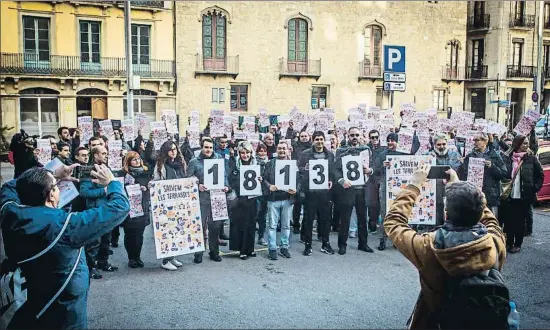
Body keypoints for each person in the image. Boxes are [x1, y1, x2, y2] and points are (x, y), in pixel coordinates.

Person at [0, 164, 129, 329]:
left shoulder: (9, 210)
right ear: (51, 194)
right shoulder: (65, 226)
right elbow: (120, 207)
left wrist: (51, 176)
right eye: (56, 185)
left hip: (28, 304)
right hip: (63, 312)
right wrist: (112, 182)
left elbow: (9, 186)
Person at [384, 165, 507, 329]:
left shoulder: (428, 246)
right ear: (479, 212)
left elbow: (393, 222)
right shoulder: (495, 240)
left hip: (439, 321)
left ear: (446, 212)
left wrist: (413, 186)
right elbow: (490, 220)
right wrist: (460, 188)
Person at [186, 137, 229, 263]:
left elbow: (224, 176)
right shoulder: (194, 162)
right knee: (200, 227)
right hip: (201, 198)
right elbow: (188, 178)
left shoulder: (218, 159)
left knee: (215, 227)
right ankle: (198, 253)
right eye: (206, 147)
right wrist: (197, 185)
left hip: (217, 198)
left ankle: (214, 252)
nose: (208, 150)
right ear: (201, 147)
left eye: (210, 147)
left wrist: (226, 186)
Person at [333, 127, 374, 255]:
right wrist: (341, 181)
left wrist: (370, 170)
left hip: (362, 189)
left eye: (357, 135)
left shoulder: (366, 150)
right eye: (352, 135)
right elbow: (335, 169)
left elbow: (373, 166)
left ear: (360, 135)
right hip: (348, 189)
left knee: (362, 218)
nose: (354, 137)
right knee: (345, 218)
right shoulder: (342, 151)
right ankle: (342, 245)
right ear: (347, 136)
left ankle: (363, 243)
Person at [501, 135, 543, 253]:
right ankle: (509, 243)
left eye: (527, 143)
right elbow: (503, 173)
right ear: (517, 144)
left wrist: (533, 189)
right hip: (509, 195)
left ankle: (517, 244)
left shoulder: (532, 158)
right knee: (509, 221)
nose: (527, 145)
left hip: (524, 196)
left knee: (520, 222)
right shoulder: (508, 157)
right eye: (524, 143)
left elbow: (540, 176)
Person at [298, 131, 335, 256]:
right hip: (310, 191)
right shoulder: (306, 154)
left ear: (324, 140)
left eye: (321, 139)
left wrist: (330, 180)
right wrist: (305, 169)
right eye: (317, 139)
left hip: (324, 192)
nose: (319, 141)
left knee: (325, 219)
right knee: (309, 219)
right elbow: (299, 169)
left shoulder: (329, 154)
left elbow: (332, 171)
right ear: (313, 140)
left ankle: (326, 243)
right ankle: (308, 245)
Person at [372, 132, 408, 251]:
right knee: (385, 214)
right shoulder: (383, 154)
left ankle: (397, 240)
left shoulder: (405, 153)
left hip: (401, 188)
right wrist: (382, 165)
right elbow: (375, 170)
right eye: (388, 140)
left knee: (400, 213)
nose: (390, 143)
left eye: (393, 140)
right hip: (386, 187)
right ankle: (383, 239)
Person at [154, 141, 187, 270]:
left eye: (175, 149)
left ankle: (173, 256)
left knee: (176, 230)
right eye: (170, 150)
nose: (173, 152)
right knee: (167, 231)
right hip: (166, 202)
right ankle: (165, 260)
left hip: (179, 201)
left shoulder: (181, 164)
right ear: (165, 152)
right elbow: (157, 182)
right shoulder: (160, 165)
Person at [458, 132, 508, 218]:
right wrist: (462, 165)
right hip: (474, 196)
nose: (474, 142)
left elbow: (504, 174)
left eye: (477, 140)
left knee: (490, 222)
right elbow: (462, 176)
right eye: (474, 140)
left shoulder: (495, 155)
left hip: (490, 197)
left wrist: (492, 166)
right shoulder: (470, 156)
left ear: (485, 141)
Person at [261, 141, 297, 260]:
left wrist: (296, 189)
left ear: (288, 150)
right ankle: (272, 248)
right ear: (277, 150)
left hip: (287, 198)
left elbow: (299, 179)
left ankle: (284, 247)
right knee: (272, 225)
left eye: (284, 149)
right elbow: (264, 178)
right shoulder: (270, 163)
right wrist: (269, 186)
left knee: (286, 225)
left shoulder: (293, 164)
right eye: (280, 148)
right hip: (273, 199)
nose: (282, 150)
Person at [228, 141, 259, 259]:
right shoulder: (235, 165)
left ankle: (250, 248)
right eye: (242, 153)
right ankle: (242, 250)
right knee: (241, 225)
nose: (245, 155)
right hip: (240, 199)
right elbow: (231, 180)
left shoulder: (255, 164)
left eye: (247, 152)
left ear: (251, 153)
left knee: (251, 224)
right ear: (239, 154)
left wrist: (259, 179)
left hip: (252, 199)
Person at [122, 151, 151, 267]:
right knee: (129, 234)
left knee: (139, 234)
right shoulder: (124, 174)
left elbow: (150, 186)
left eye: (138, 159)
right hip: (129, 208)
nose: (137, 161)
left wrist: (147, 188)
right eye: (134, 159)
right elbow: (121, 189)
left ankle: (137, 256)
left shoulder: (145, 172)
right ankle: (131, 258)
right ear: (128, 162)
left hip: (142, 206)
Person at [428, 133, 461, 226]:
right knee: (437, 220)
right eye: (438, 144)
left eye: (443, 144)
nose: (441, 147)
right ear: (434, 145)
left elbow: (456, 168)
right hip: (435, 193)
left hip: (450, 191)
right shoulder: (428, 155)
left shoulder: (454, 154)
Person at [292, 131, 312, 236]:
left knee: (308, 205)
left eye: (305, 136)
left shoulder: (313, 149)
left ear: (309, 137)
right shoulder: (295, 148)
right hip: (298, 179)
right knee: (297, 204)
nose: (304, 138)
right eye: (302, 136)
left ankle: (305, 227)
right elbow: (295, 164)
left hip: (310, 180)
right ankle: (296, 225)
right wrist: (303, 169)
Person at [255, 142, 269, 245]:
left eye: (264, 151)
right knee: (255, 214)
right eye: (260, 151)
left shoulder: (269, 163)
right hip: (254, 191)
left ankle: (261, 236)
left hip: (265, 192)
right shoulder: (253, 162)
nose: (262, 153)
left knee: (263, 216)